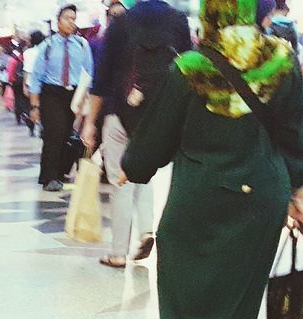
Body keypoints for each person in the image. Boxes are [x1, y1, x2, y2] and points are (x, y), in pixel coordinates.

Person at [122, 0, 303, 319]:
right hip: (261, 196)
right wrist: (297, 190)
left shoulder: (189, 67)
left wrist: (134, 166)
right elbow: (298, 134)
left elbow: (151, 144)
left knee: (182, 290)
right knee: (236, 295)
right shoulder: (282, 61)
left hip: (199, 198)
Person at [83, 0, 192, 268]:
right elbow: (191, 69)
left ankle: (118, 252)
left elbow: (101, 78)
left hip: (120, 112)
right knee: (144, 174)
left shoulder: (120, 22)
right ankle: (146, 231)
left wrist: (89, 123)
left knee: (120, 182)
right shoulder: (178, 21)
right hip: (160, 116)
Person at [28, 5, 93, 192]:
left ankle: (60, 171)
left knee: (67, 135)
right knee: (53, 133)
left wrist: (85, 99)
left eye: (74, 18)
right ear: (58, 22)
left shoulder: (82, 45)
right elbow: (36, 77)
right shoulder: (47, 47)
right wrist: (34, 106)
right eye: (67, 18)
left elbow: (88, 73)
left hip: (74, 95)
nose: (71, 22)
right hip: (51, 93)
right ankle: (49, 177)